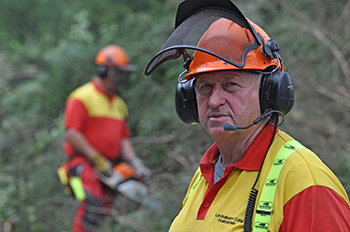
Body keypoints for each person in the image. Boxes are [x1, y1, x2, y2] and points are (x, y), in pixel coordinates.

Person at [144, 0, 350, 231]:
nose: (214, 100)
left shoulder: (305, 182)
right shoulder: (205, 174)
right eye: (205, 87)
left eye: (230, 84)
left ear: (269, 92)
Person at [63, 44, 150, 232]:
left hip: (110, 166)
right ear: (103, 70)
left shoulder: (119, 105)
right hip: (82, 164)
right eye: (118, 72)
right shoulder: (82, 97)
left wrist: (136, 164)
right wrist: (97, 159)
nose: (121, 77)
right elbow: (72, 133)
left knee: (104, 211)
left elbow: (123, 140)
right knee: (92, 204)